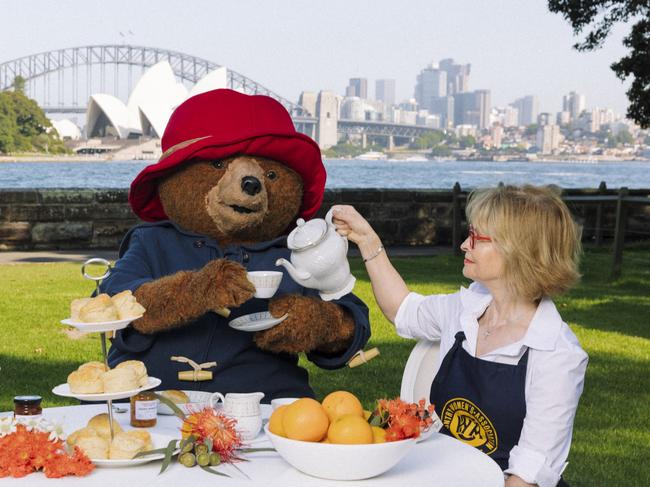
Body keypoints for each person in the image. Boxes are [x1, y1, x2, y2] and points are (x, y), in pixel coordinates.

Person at [331, 185, 588, 487]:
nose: (465, 245)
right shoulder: (466, 309)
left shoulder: (556, 352)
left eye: (477, 238)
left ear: (518, 250)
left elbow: (527, 476)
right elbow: (402, 310)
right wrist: (366, 239)